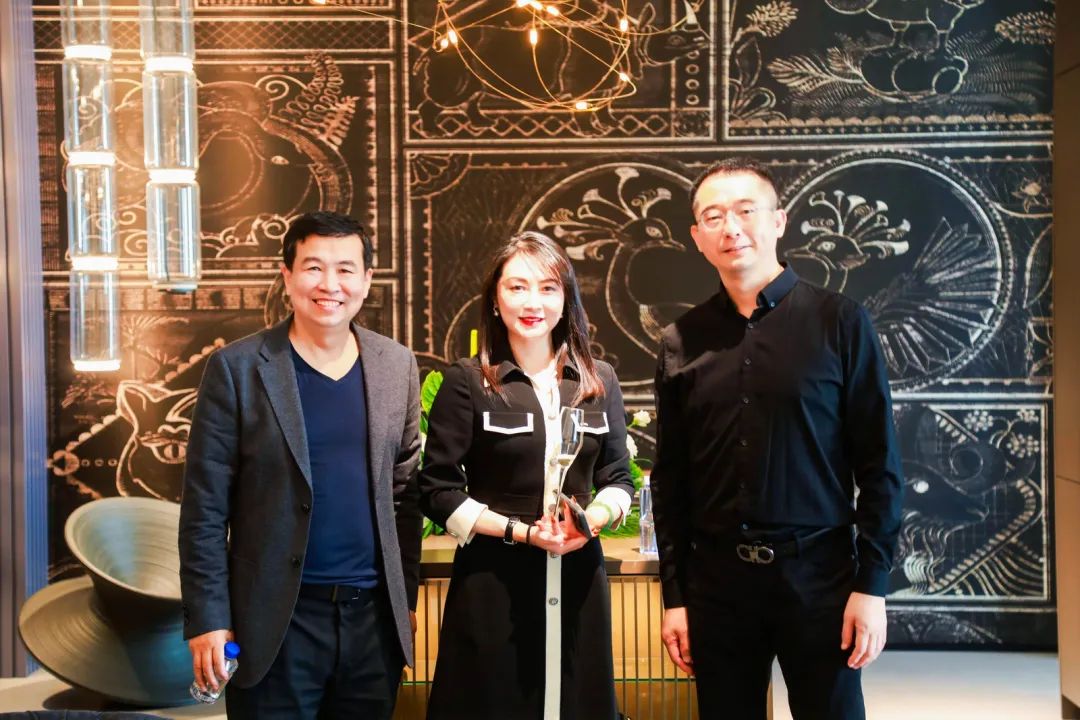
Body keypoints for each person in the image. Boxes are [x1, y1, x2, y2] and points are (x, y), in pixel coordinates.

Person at [651, 158, 904, 719]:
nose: (731, 228)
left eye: (746, 211)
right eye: (713, 217)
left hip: (820, 578)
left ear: (778, 220)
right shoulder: (680, 341)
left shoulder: (840, 322)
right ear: (697, 236)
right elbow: (671, 481)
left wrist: (872, 586)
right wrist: (676, 597)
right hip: (718, 585)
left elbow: (880, 464)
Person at [179, 211, 422, 719]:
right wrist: (208, 617)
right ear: (287, 276)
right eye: (313, 267)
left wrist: (406, 601)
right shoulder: (238, 369)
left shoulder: (396, 365)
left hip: (371, 622)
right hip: (274, 622)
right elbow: (204, 510)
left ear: (366, 280)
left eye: (345, 269)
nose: (330, 284)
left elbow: (404, 495)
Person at [419, 231, 635, 720]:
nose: (532, 302)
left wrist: (592, 521)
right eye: (517, 287)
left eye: (547, 287)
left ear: (566, 299)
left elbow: (620, 477)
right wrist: (521, 532)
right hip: (492, 582)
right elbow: (438, 490)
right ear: (495, 300)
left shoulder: (598, 380)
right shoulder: (468, 381)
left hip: (580, 578)